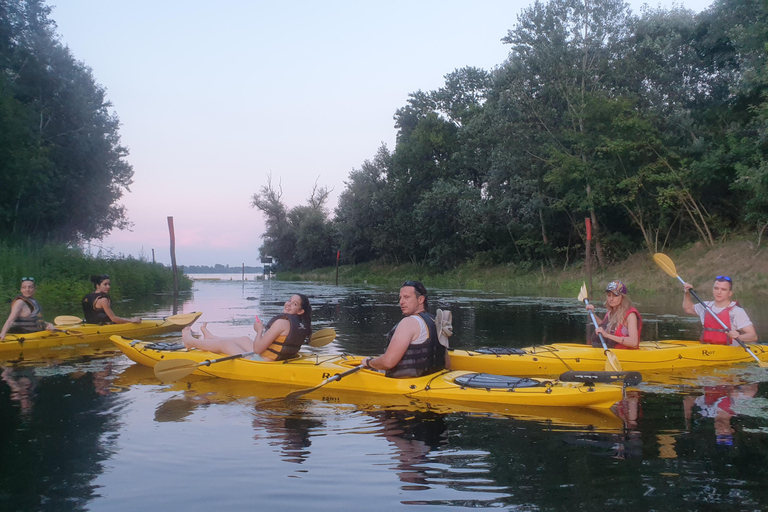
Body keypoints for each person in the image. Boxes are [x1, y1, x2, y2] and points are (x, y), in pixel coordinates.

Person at [182, 294, 312, 361]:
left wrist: (259, 330)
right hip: (276, 358)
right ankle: (211, 338)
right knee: (244, 339)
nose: (288, 304)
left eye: (294, 304)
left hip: (262, 361)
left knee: (225, 344)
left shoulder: (281, 323)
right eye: (289, 300)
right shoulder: (303, 325)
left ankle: (191, 341)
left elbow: (257, 349)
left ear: (300, 311)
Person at [359, 281, 449, 377]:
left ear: (420, 299)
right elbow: (447, 363)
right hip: (433, 379)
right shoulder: (435, 321)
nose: (401, 302)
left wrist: (369, 362)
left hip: (407, 384)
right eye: (400, 298)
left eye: (406, 297)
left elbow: (388, 362)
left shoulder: (408, 323)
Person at [682, 275, 757, 344]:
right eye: (716, 288)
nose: (719, 292)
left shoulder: (736, 311)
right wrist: (687, 293)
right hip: (707, 350)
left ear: (730, 293)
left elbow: (753, 336)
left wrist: (738, 336)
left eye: (723, 289)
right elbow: (688, 308)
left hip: (729, 352)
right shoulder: (705, 306)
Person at [586, 280, 642, 349]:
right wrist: (592, 314)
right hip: (613, 350)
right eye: (609, 295)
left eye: (615, 295)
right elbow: (604, 327)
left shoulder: (630, 316)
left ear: (623, 297)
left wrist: (607, 335)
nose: (611, 299)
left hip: (626, 355)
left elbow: (634, 342)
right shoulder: (610, 313)